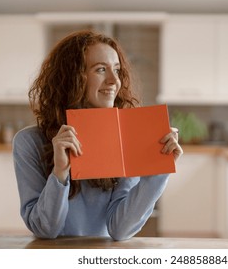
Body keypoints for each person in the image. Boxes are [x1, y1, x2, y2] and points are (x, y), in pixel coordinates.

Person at [13, 30, 183, 240]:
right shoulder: (28, 143)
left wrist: (159, 168)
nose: (114, 81)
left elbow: (120, 229)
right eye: (101, 69)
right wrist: (60, 172)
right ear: (72, 78)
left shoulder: (125, 137)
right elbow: (45, 229)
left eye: (117, 70)